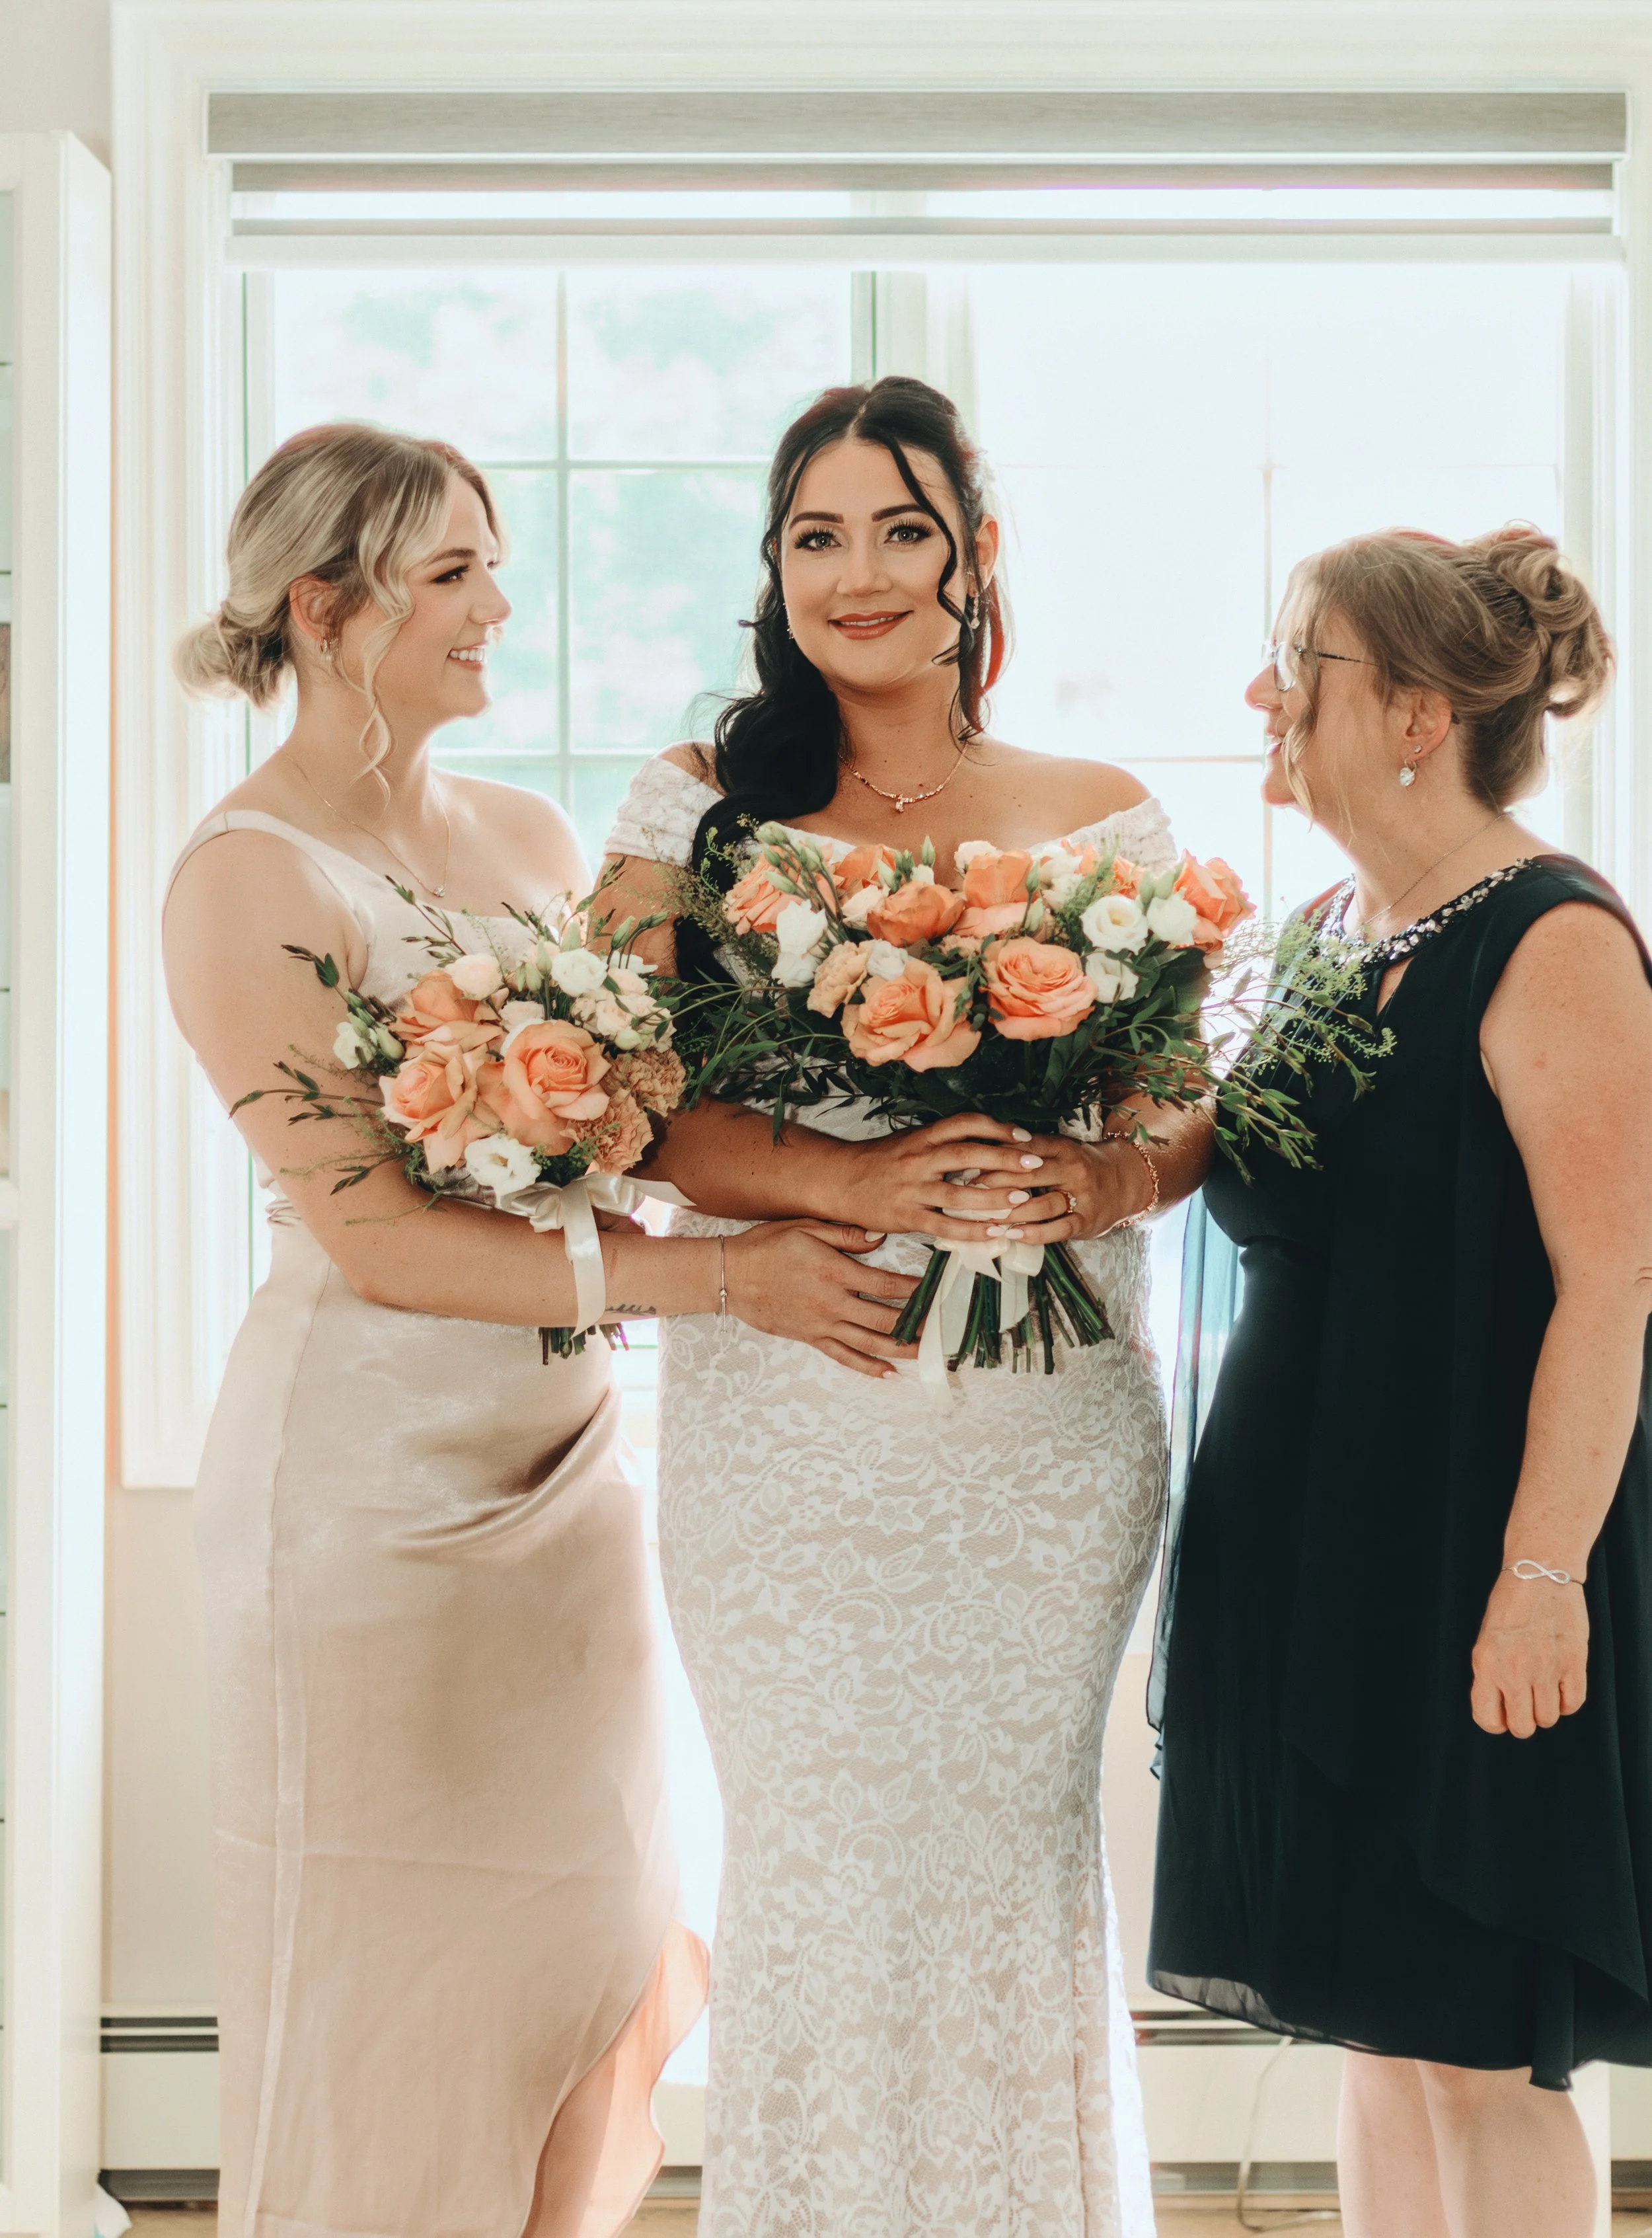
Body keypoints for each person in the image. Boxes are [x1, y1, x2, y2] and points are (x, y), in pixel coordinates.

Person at [163, 422, 912, 2238]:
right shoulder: (244, 880)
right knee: (396, 1991)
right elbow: (382, 1242)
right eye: (451, 576)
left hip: (565, 1479)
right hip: (370, 1501)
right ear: (322, 610)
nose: (501, 603)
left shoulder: (527, 835)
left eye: (493, 561)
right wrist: (724, 1284)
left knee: (586, 1948)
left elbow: (639, 1124)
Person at [599, 376, 1211, 2237]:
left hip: (1043, 1451)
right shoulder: (694, 809)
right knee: (816, 1865)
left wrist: (1109, 1177)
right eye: (814, 536)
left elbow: (1179, 1104)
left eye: (897, 528)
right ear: (772, 572)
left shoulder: (1105, 820)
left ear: (972, 556)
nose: (855, 572)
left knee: (1014, 1872)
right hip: (792, 1429)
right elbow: (628, 1103)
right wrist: (845, 1176)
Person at [1148, 525, 1652, 2238]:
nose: (1261, 698)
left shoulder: (1552, 937)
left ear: (1419, 709)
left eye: (1303, 666)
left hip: (1463, 1556)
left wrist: (1538, 1576)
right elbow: (1218, 1169)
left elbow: (1613, 1286)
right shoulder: (1326, 927)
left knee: (1467, 2041)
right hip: (1304, 1561)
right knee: (1367, 2019)